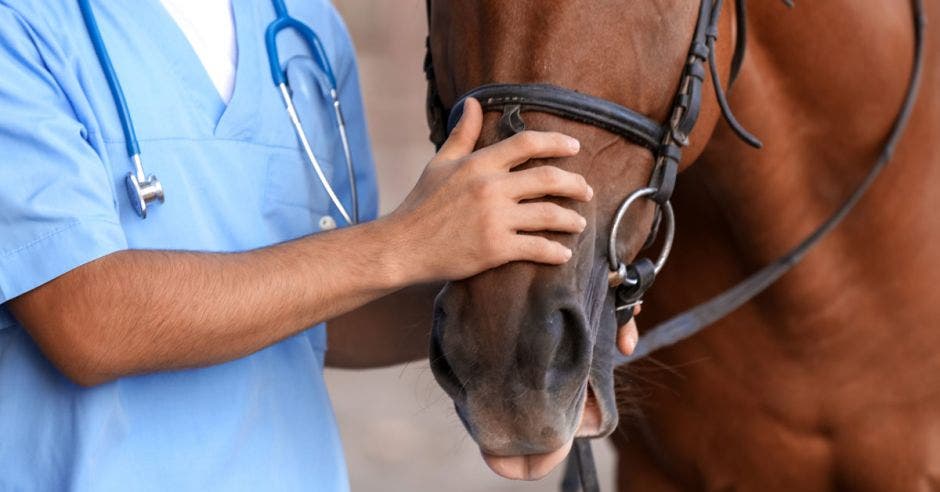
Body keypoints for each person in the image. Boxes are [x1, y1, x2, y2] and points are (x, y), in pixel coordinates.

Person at [0, 0, 639, 489]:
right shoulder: (21, 26)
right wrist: (406, 242)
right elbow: (87, 321)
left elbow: (326, 311)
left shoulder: (304, 29)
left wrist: (531, 318)